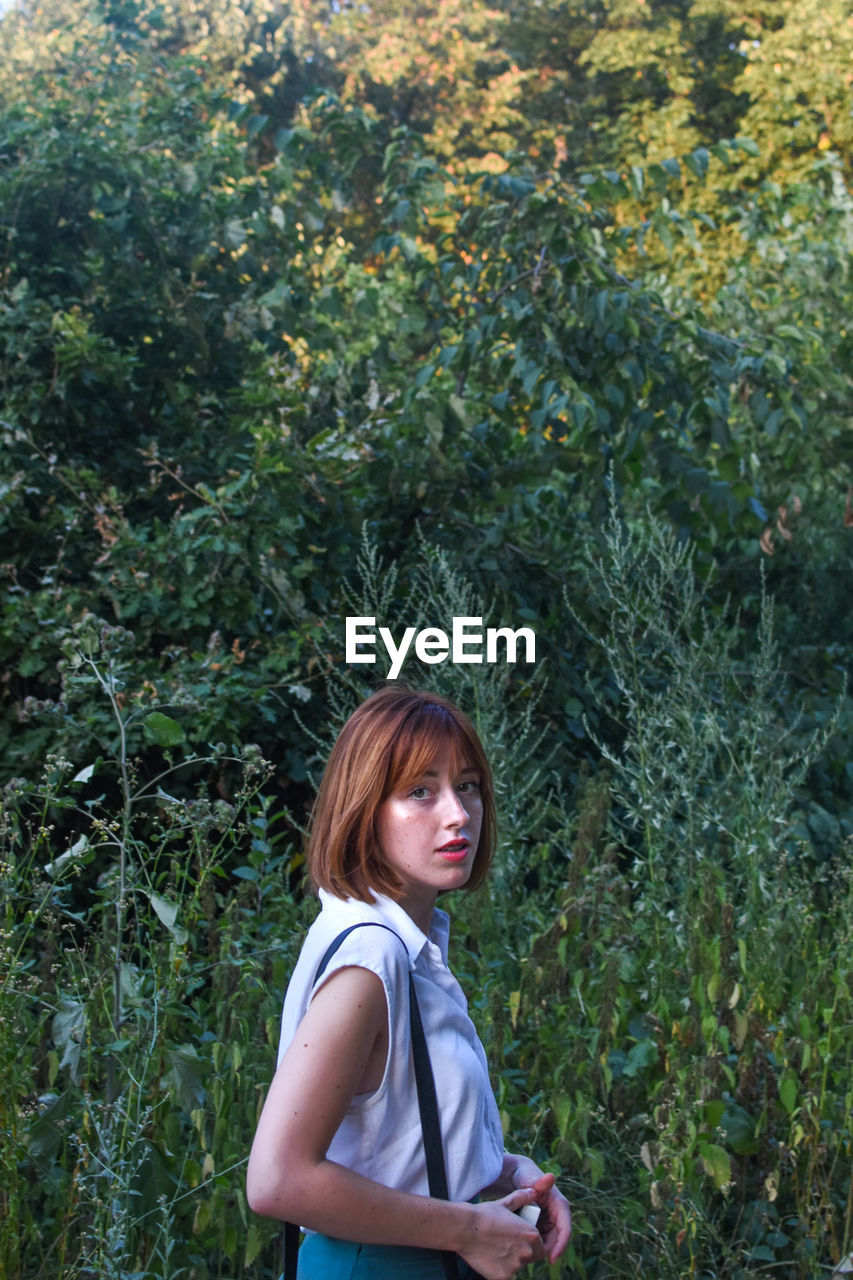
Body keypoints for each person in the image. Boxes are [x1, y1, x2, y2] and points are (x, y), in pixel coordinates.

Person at [247, 686, 572, 1279]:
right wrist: (470, 1228)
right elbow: (278, 1179)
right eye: (420, 791)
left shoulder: (398, 942)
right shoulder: (372, 955)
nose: (457, 813)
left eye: (466, 786)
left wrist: (505, 1170)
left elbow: (386, 1138)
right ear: (363, 808)